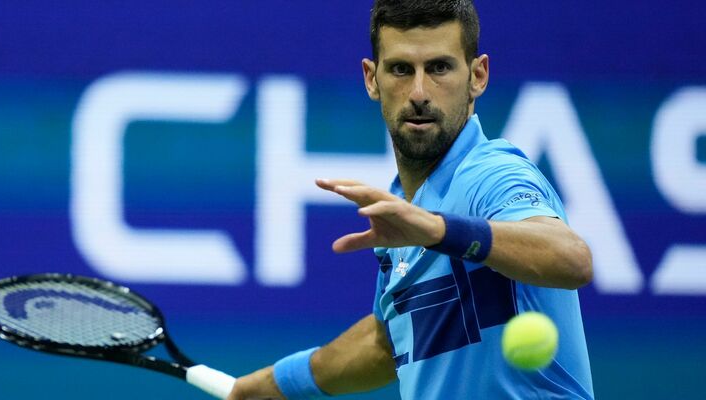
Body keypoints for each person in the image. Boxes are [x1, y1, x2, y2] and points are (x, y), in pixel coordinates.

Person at [228, 0, 595, 398]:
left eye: (439, 68)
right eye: (401, 69)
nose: (419, 92)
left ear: (478, 76)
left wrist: (437, 229)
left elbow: (571, 258)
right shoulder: (403, 206)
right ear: (372, 79)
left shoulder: (493, 174)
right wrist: (274, 385)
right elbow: (385, 343)